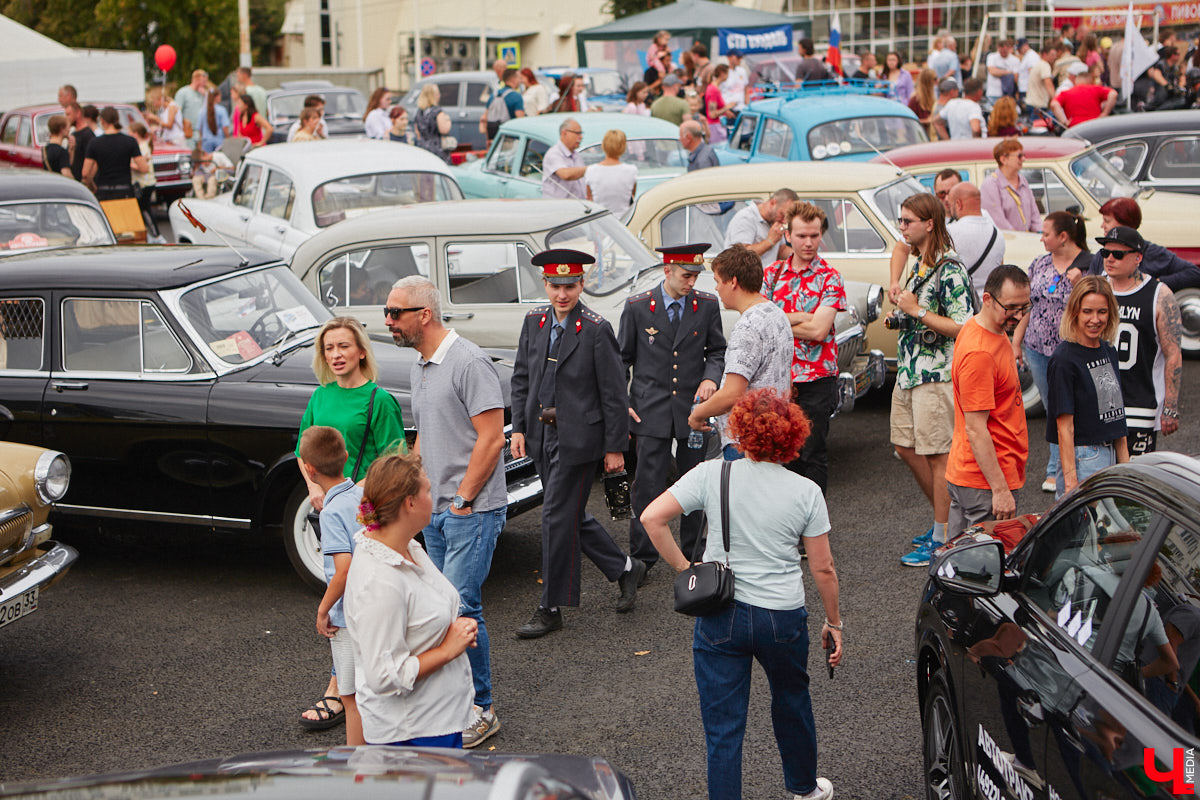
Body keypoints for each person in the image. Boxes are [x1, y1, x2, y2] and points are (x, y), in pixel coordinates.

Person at [641, 388, 842, 800]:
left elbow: (651, 518)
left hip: (721, 612)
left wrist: (686, 569)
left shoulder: (713, 474)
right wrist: (834, 622)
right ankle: (804, 788)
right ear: (794, 435)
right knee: (792, 701)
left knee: (723, 727)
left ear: (740, 430)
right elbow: (823, 568)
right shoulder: (806, 492)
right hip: (782, 615)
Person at [385, 276, 509, 749]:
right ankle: (453, 701)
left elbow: (492, 438)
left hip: (469, 512)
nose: (389, 321)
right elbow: (426, 435)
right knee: (439, 609)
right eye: (388, 313)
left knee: (461, 606)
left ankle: (482, 708)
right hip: (434, 512)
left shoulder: (469, 361)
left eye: (396, 313)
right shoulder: (422, 365)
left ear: (424, 315)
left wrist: (461, 500)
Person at [508, 249, 644, 639]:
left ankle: (551, 607)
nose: (562, 294)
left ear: (582, 285)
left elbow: (615, 393)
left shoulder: (597, 328)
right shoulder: (534, 321)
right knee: (567, 514)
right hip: (541, 435)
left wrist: (615, 447)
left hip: (581, 438)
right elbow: (522, 378)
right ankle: (624, 568)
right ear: (544, 285)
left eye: (570, 286)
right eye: (555, 286)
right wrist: (518, 428)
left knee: (554, 517)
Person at [296, 317, 407, 730]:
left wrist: (345, 496)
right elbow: (302, 449)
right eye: (329, 349)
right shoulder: (320, 398)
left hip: (368, 514)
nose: (337, 355)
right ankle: (349, 690)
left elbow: (392, 459)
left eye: (344, 346)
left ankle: (350, 693)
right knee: (346, 598)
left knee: (361, 599)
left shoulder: (379, 400)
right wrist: (313, 488)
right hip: (332, 508)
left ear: (361, 350)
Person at [343, 453, 477, 747]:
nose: (433, 496)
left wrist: (453, 630)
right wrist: (447, 650)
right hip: (412, 736)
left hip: (436, 722)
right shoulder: (379, 581)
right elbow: (383, 676)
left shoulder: (406, 547)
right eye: (427, 490)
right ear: (410, 502)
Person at [619, 243, 725, 576]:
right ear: (667, 270)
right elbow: (621, 361)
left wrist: (710, 379)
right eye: (685, 275)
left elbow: (718, 351)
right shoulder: (638, 307)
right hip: (650, 410)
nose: (691, 282)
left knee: (695, 482)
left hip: (693, 410)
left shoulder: (706, 306)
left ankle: (693, 552)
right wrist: (622, 403)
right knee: (647, 484)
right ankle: (643, 557)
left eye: (695, 276)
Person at [890, 193, 973, 567]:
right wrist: (901, 302)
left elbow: (963, 327)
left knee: (939, 457)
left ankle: (943, 535)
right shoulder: (920, 260)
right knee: (905, 447)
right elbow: (897, 249)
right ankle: (944, 520)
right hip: (910, 370)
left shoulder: (949, 268)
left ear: (930, 224)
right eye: (901, 220)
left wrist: (916, 310)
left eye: (907, 221)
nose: (901, 227)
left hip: (936, 374)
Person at [760, 202, 847, 494]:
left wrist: (779, 317)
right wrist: (802, 318)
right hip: (778, 379)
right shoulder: (771, 274)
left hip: (816, 380)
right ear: (787, 235)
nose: (808, 242)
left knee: (812, 454)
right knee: (779, 455)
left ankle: (813, 530)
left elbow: (819, 330)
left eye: (814, 235)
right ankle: (786, 526)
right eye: (801, 236)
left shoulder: (830, 277)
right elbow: (760, 322)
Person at [945, 265, 1031, 537]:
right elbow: (976, 428)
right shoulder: (980, 354)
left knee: (957, 563)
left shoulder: (982, 326)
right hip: (984, 484)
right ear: (987, 300)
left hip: (973, 476)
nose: (1018, 316)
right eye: (1011, 308)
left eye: (1024, 307)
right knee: (983, 570)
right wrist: (1001, 489)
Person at [688, 245, 792, 461]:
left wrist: (698, 414)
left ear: (733, 282)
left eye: (718, 281)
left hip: (745, 440)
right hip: (774, 432)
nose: (716, 288)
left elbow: (733, 393)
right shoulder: (776, 313)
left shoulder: (748, 326)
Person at [1012, 211, 1091, 493]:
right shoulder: (1040, 263)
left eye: (1046, 233)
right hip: (1037, 348)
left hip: (1071, 352)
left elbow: (1096, 308)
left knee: (1071, 409)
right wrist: (1017, 341)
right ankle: (1057, 468)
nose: (1041, 238)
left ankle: (1065, 469)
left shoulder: (1089, 265)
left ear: (1063, 237)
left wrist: (1078, 283)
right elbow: (1027, 305)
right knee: (1053, 410)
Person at [301, 425, 365, 746]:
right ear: (347, 456)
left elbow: (342, 570)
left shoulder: (330, 511)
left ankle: (359, 763)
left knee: (352, 698)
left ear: (309, 470)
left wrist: (323, 609)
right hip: (371, 605)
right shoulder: (360, 495)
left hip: (346, 615)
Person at [1098, 226, 1183, 456]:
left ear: (1138, 257)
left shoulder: (1159, 294)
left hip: (1140, 408)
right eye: (1105, 253)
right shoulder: (1095, 288)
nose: (1109, 259)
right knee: (1096, 482)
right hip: (1097, 406)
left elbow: (1173, 353)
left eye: (1118, 254)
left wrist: (1171, 408)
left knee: (1132, 484)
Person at [1046, 277, 1129, 497]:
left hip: (1110, 453)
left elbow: (1117, 414)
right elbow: (1065, 428)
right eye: (1087, 311)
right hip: (1084, 458)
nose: (1095, 319)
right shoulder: (1064, 359)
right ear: (1074, 312)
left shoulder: (1108, 350)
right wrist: (1071, 484)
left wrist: (1127, 467)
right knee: (1084, 530)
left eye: (1102, 311)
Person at [1085, 198, 1200, 292]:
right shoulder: (1101, 255)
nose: (1102, 225)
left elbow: (1194, 274)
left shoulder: (1151, 252)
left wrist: (1156, 284)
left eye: (1107, 221)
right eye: (1106, 253)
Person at [946, 182, 1006, 298]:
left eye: (951, 205)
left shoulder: (949, 233)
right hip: (989, 306)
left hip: (963, 306)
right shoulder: (997, 234)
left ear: (958, 204)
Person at [82, 107, 150, 201]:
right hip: (125, 191)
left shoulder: (94, 143)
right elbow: (144, 168)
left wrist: (93, 187)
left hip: (103, 191)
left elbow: (85, 173)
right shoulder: (130, 141)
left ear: (102, 121)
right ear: (117, 120)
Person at [723, 188, 798, 267]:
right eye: (782, 214)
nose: (784, 221)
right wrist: (770, 241)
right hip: (746, 277)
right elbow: (740, 255)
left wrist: (803, 255)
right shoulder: (745, 218)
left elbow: (781, 251)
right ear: (773, 202)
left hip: (767, 277)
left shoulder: (775, 221)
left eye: (787, 218)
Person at [980, 139, 1041, 233]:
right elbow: (997, 221)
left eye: (1024, 155)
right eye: (1019, 156)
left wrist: (1039, 233)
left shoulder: (1023, 180)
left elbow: (1034, 214)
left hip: (1028, 240)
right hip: (1009, 242)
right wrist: (1020, 239)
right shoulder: (990, 184)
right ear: (1003, 159)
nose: (1023, 159)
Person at [584, 129, 638, 217]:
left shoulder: (591, 171)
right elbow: (631, 197)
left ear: (603, 145)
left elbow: (590, 200)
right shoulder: (632, 170)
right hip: (624, 220)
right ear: (623, 147)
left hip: (600, 220)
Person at [1051, 62, 1117, 126]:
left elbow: (1054, 104)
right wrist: (1104, 114)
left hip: (1075, 127)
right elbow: (1113, 94)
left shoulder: (1066, 92)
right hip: (1095, 125)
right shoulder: (1096, 89)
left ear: (1076, 78)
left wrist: (1064, 122)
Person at [128, 122, 162, 240]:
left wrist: (129, 164)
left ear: (136, 134)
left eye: (130, 133)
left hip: (144, 183)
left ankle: (156, 235)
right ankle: (149, 234)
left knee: (145, 209)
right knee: (143, 208)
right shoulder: (145, 145)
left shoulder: (141, 147)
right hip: (146, 182)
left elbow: (142, 167)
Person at [541, 118, 587, 200]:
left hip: (578, 206)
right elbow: (565, 174)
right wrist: (591, 168)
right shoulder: (554, 153)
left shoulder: (577, 155)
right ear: (564, 133)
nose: (580, 137)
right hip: (559, 207)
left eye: (581, 133)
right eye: (577, 133)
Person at [481, 68, 525, 144]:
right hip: (511, 140)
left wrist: (488, 140)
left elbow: (485, 119)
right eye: (519, 78)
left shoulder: (493, 95)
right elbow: (521, 120)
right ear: (513, 79)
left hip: (495, 140)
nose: (520, 81)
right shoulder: (516, 97)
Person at [414, 84, 453, 164]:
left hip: (422, 147)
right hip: (437, 148)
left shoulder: (419, 112)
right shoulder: (437, 112)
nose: (440, 95)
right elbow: (444, 130)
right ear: (433, 96)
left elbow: (417, 132)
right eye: (438, 93)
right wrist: (448, 120)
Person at [174, 69, 209, 149]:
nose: (205, 84)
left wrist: (206, 96)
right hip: (188, 133)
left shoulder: (202, 94)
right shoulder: (183, 92)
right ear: (197, 79)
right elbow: (176, 113)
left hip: (200, 133)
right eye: (204, 81)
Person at [702, 64, 736, 144]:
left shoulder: (715, 88)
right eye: (727, 73)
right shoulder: (713, 90)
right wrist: (727, 107)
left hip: (717, 126)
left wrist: (726, 112)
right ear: (722, 73)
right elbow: (712, 114)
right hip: (714, 128)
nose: (728, 76)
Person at [1026, 41, 1059, 116]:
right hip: (1038, 106)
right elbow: (1049, 84)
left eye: (1055, 55)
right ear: (1044, 54)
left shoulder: (1039, 64)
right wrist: (1057, 100)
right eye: (1052, 55)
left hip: (1032, 104)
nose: (1055, 57)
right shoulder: (1045, 65)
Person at [70, 104, 99, 184]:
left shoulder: (88, 135)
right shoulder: (73, 134)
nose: (67, 118)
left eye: (68, 114)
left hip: (84, 183)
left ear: (78, 113)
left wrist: (87, 180)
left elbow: (94, 160)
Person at [986, 39, 1021, 103]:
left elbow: (1016, 77)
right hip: (993, 94)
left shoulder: (1015, 60)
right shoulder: (991, 57)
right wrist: (1009, 72)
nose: (1003, 52)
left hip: (1008, 95)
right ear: (998, 48)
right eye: (1001, 49)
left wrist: (1000, 72)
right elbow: (993, 72)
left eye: (1006, 49)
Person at [199, 88, 231, 153]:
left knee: (207, 162)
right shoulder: (222, 110)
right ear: (216, 97)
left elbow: (200, 128)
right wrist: (228, 138)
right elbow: (225, 127)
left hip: (206, 142)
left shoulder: (202, 111)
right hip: (219, 142)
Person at [1016, 38, 1039, 103]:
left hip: (1028, 90)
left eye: (1020, 48)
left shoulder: (1031, 56)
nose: (1019, 50)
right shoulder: (1027, 55)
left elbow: (1033, 73)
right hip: (1024, 89)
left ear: (1026, 45)